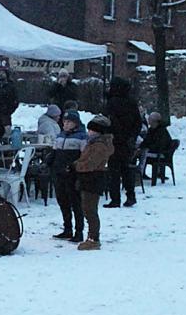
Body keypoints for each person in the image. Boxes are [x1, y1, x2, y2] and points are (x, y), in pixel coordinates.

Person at [74, 114, 115, 250]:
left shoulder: (99, 146)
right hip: (88, 178)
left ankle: (93, 238)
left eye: (92, 130)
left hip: (93, 178)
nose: (89, 132)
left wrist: (77, 166)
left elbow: (91, 163)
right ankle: (92, 236)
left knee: (90, 209)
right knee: (87, 208)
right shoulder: (93, 143)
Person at [103, 77, 141, 208]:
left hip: (115, 140)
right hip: (127, 142)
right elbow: (138, 122)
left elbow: (109, 121)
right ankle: (131, 195)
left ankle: (115, 199)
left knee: (114, 171)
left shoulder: (112, 102)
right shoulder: (132, 102)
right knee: (126, 169)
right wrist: (132, 137)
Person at [51, 110, 87, 242]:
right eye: (64, 122)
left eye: (69, 122)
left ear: (76, 123)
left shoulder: (82, 137)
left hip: (72, 174)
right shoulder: (60, 136)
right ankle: (67, 228)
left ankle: (79, 231)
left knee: (75, 202)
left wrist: (74, 167)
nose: (65, 124)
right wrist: (49, 161)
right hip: (59, 172)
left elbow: (84, 156)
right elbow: (55, 151)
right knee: (63, 201)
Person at [140, 112, 175, 184]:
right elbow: (147, 141)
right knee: (139, 153)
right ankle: (139, 173)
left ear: (155, 122)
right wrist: (141, 146)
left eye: (150, 121)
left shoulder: (162, 131)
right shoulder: (152, 129)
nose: (149, 123)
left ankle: (140, 174)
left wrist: (147, 147)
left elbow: (159, 145)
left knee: (143, 154)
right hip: (156, 152)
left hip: (162, 154)